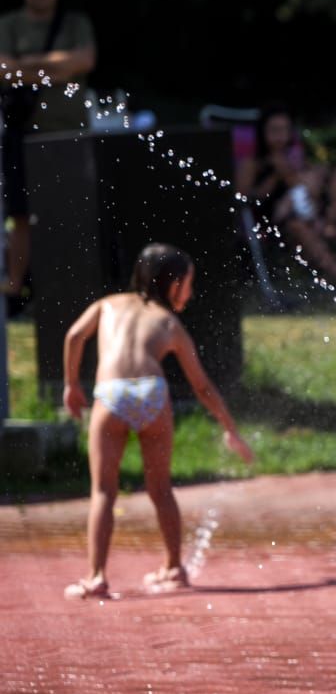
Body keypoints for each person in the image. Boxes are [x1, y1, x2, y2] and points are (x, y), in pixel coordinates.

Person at [60, 244, 254, 601]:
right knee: (161, 489)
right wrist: (230, 428)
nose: (191, 293)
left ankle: (96, 576)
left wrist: (72, 385)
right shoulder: (168, 323)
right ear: (173, 283)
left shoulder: (108, 305)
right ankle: (173, 568)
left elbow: (74, 336)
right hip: (152, 392)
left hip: (112, 393)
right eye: (188, 284)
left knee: (103, 490)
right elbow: (202, 385)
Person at [0, 0, 96, 298]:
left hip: (69, 131)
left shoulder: (75, 23)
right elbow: (3, 69)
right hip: (22, 133)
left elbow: (83, 60)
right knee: (20, 213)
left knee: (70, 209)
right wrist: (57, 66)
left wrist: (25, 66)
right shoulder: (9, 24)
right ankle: (15, 286)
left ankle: (68, 282)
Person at [232, 103, 336, 296]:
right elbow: (244, 197)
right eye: (275, 130)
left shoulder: (294, 154)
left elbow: (308, 181)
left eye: (286, 130)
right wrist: (276, 177)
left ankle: (330, 222)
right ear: (262, 133)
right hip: (275, 220)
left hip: (309, 206)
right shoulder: (253, 161)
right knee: (297, 223)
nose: (282, 136)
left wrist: (300, 176)